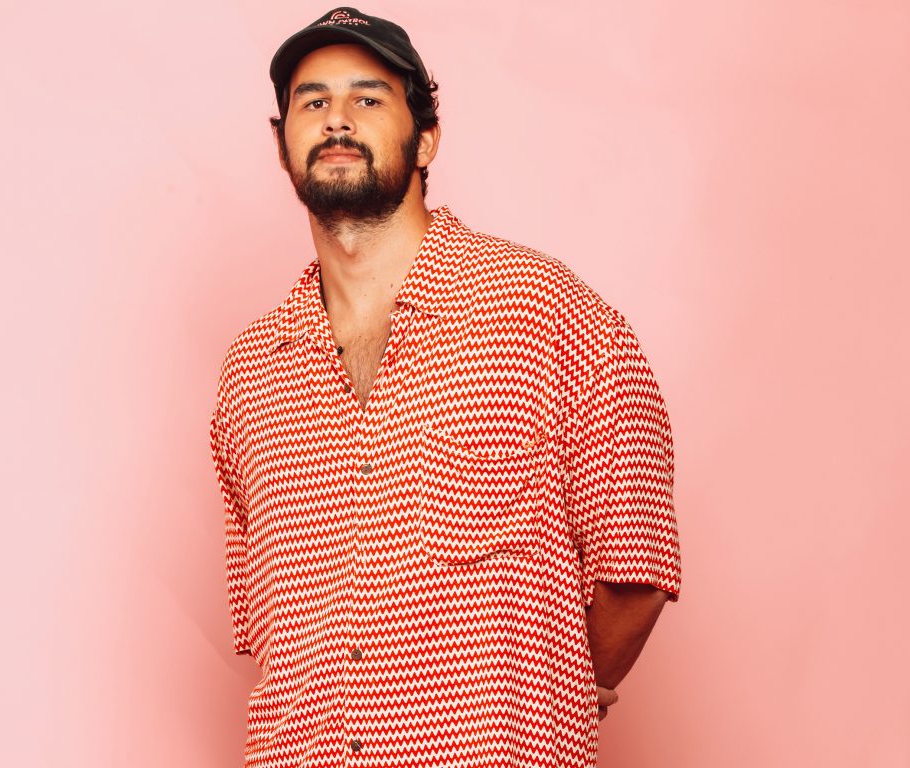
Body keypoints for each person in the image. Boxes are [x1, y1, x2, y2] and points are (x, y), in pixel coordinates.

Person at [209, 7, 682, 767]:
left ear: (425, 136)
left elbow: (637, 569)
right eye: (313, 100)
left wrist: (540, 707)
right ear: (281, 143)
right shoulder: (248, 373)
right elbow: (272, 632)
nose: (336, 120)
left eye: (368, 98)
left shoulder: (545, 311)